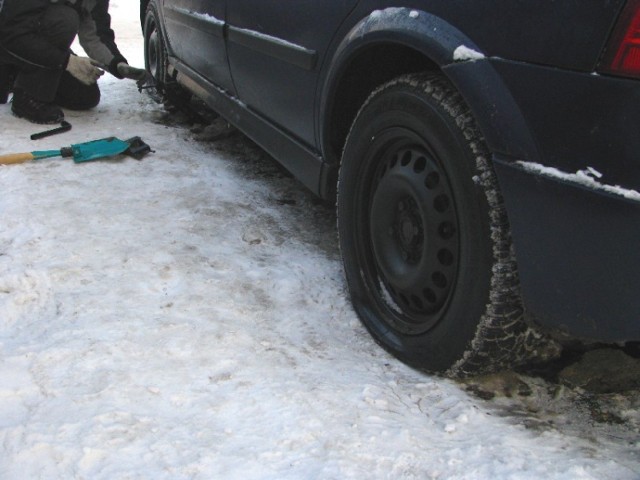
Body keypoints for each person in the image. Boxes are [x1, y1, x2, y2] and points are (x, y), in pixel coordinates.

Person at [0, 0, 146, 124]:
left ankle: (17, 75)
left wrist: (116, 64)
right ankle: (28, 95)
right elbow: (10, 34)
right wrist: (66, 62)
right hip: (8, 43)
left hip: (32, 46)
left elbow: (95, 34)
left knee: (84, 95)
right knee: (65, 19)